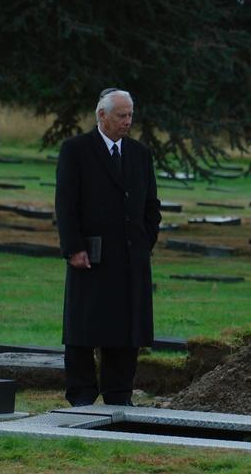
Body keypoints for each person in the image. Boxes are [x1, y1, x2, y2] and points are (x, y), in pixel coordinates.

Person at [55, 88, 161, 407]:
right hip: (90, 257)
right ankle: (82, 394)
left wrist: (144, 243)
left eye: (130, 115)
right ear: (102, 115)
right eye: (121, 115)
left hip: (130, 259)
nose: (127, 121)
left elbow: (150, 206)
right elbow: (66, 203)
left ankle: (119, 393)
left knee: (126, 329)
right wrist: (73, 248)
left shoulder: (139, 154)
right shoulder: (76, 150)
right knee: (84, 327)